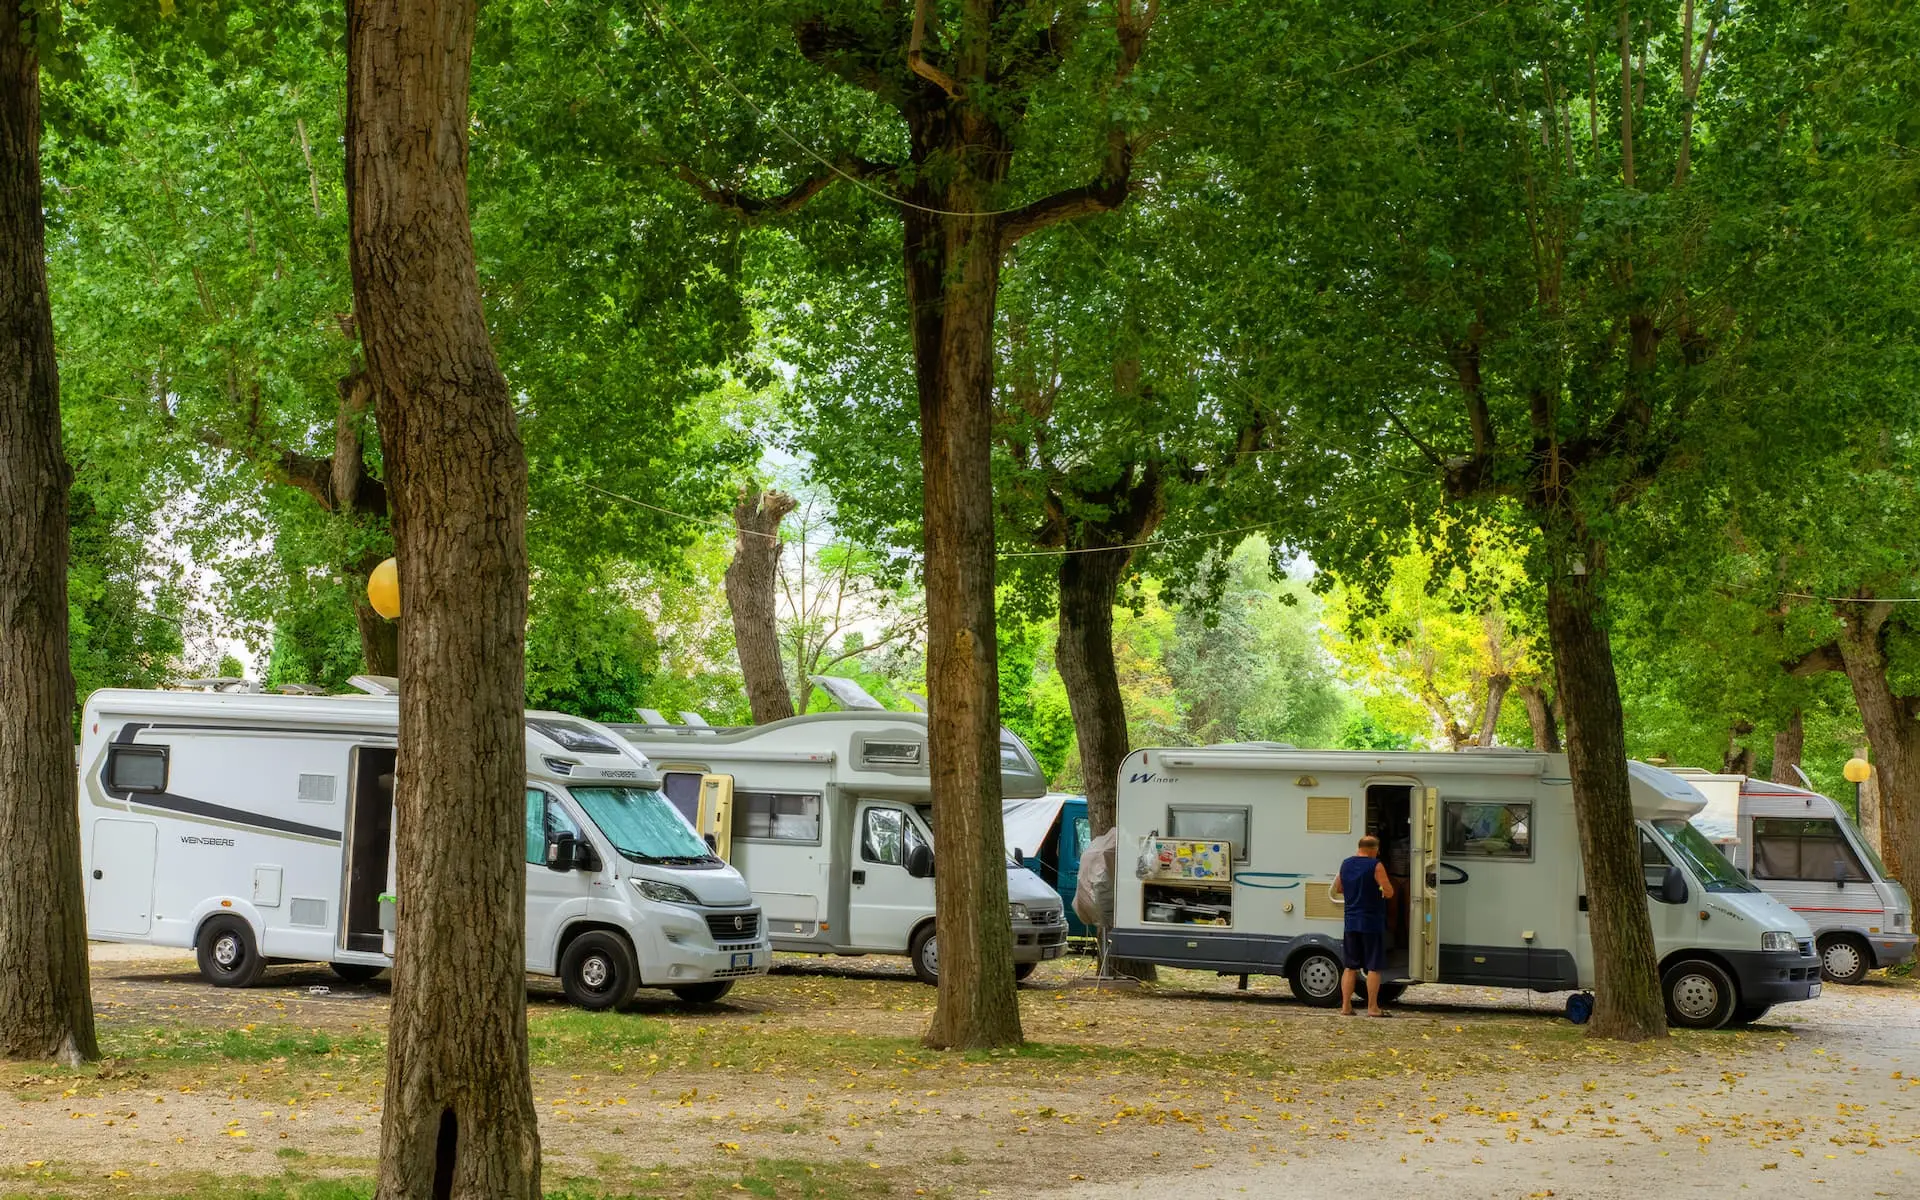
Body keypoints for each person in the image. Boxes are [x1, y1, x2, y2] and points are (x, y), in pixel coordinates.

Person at [1331, 834, 1396, 1017]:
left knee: (1350, 966)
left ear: (1359, 847)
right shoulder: (1376, 865)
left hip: (1351, 921)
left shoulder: (1346, 864)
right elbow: (1389, 892)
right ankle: (1373, 1008)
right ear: (1375, 850)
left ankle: (1345, 1006)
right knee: (1373, 967)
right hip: (1371, 923)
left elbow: (1338, 888)